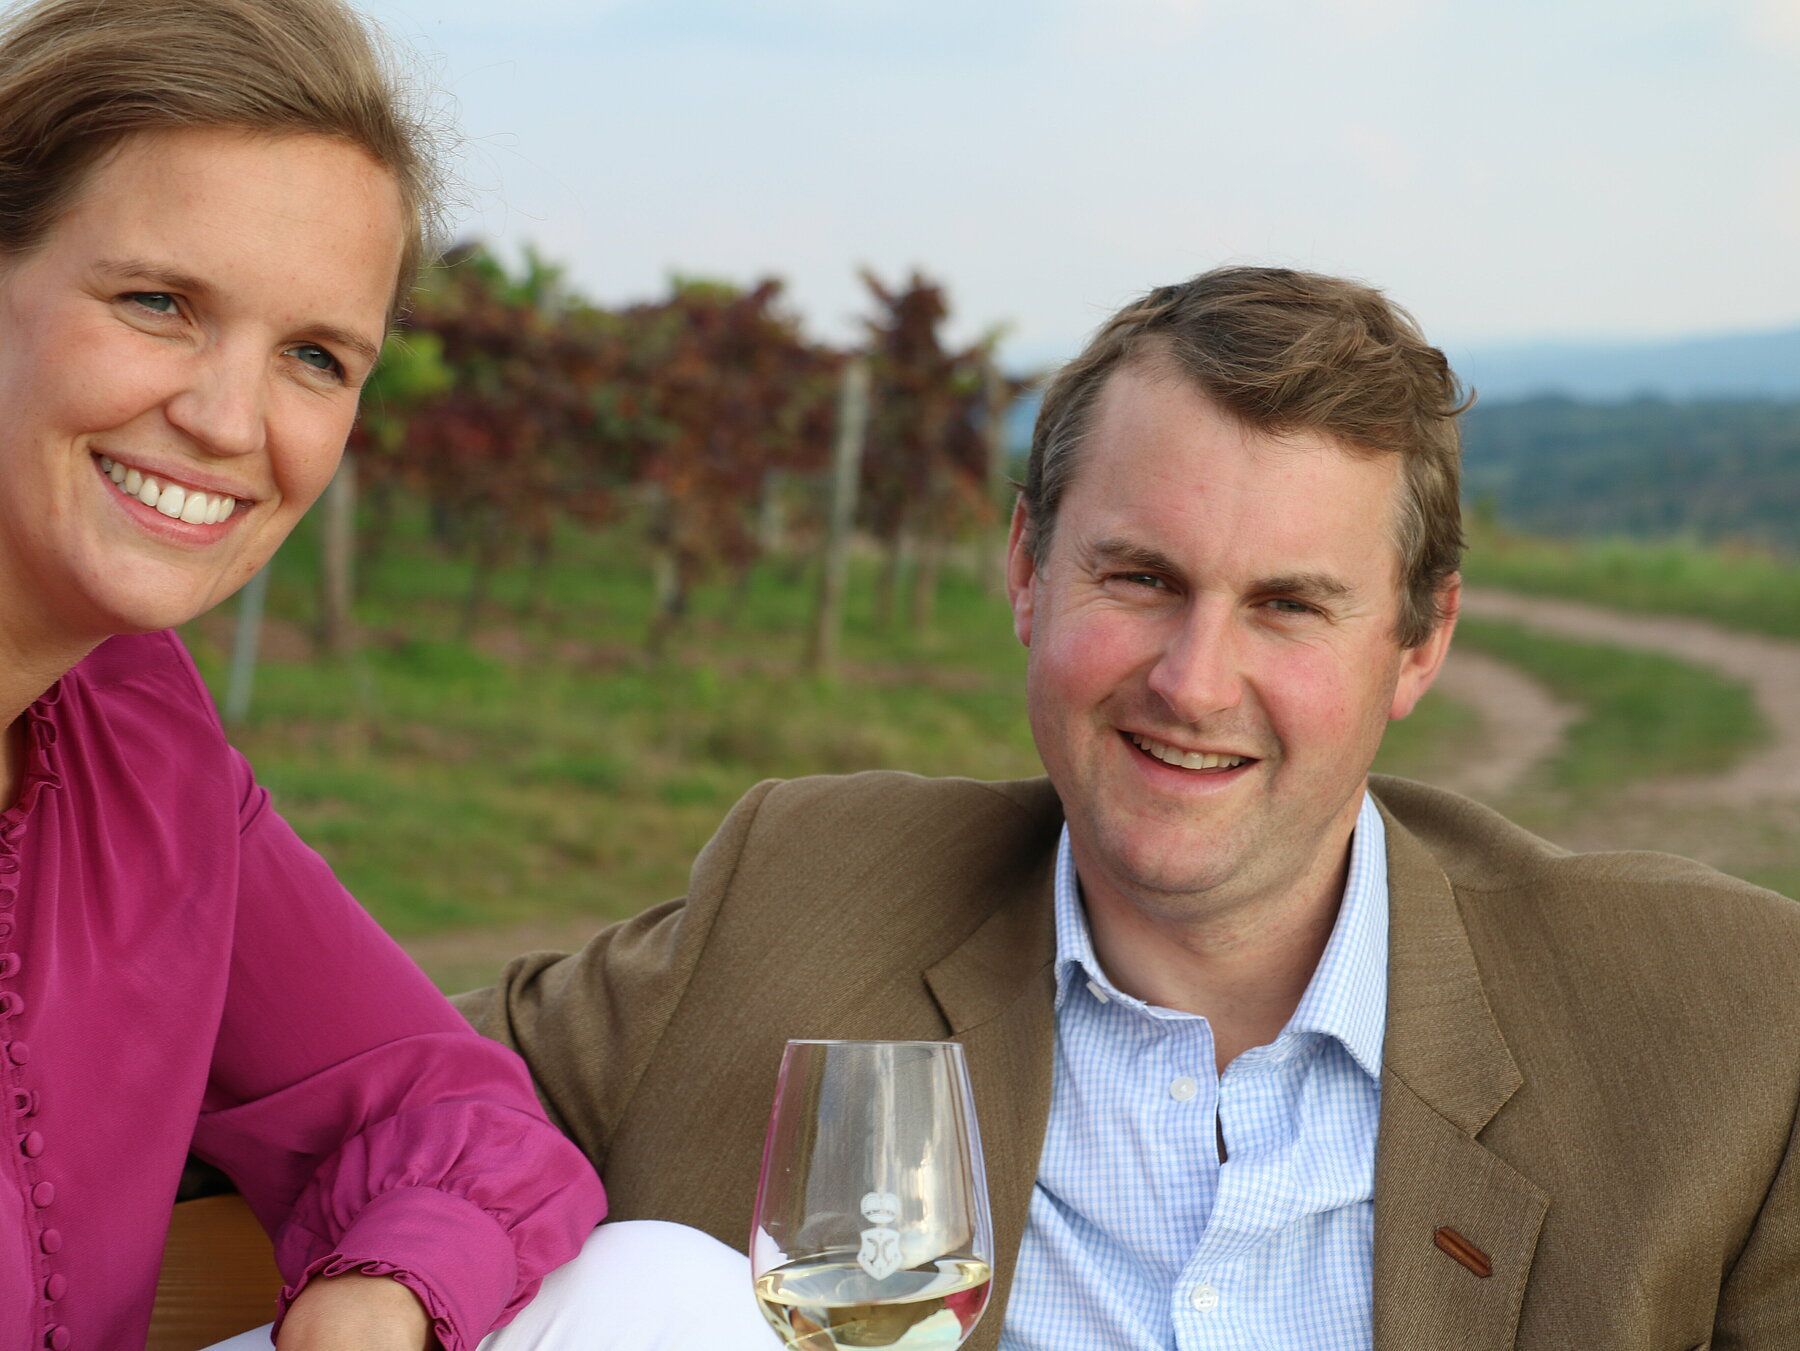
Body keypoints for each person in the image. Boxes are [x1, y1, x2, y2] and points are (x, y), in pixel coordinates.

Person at [459, 266, 1800, 1349]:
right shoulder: (804, 895)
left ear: (1417, 646)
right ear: (1029, 572)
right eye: (1143, 578)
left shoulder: (1728, 1028)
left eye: (1288, 605)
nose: (1192, 682)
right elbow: (378, 1092)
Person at [0, 1, 609, 1347]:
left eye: (313, 358)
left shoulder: (138, 739)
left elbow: (444, 1110)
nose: (229, 421)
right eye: (159, 303)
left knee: (660, 1289)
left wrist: (382, 1292)